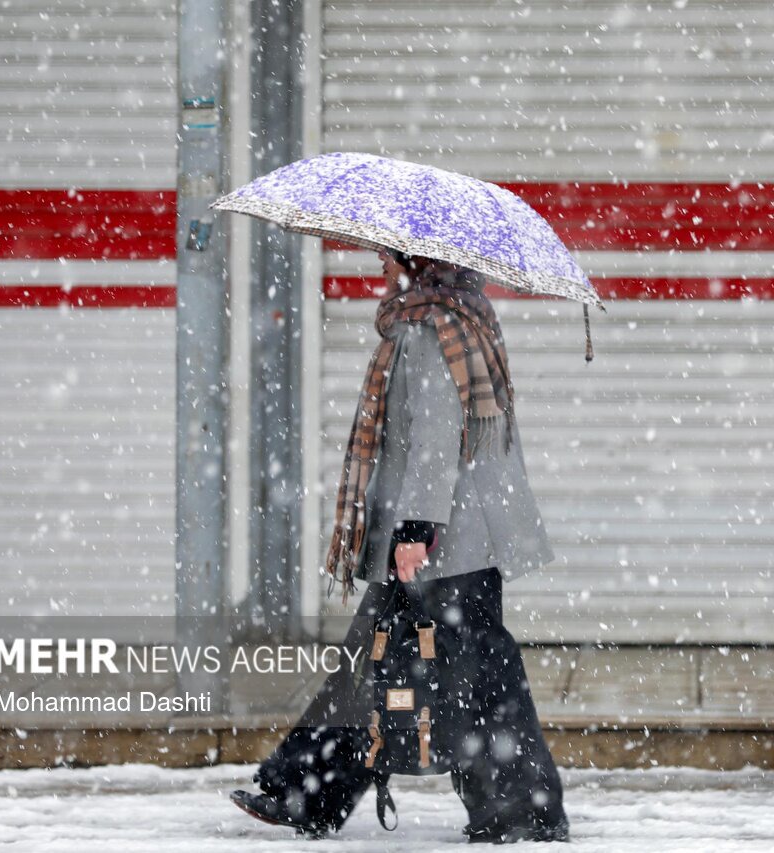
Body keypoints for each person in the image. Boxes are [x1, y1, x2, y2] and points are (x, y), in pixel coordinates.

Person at [230, 249, 569, 841]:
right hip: (459, 539)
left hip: (446, 544)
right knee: (407, 665)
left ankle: (519, 809)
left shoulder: (430, 329)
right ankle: (310, 789)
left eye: (388, 257)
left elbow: (437, 437)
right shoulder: (464, 317)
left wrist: (416, 530)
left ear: (416, 263)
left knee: (443, 670)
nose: (381, 267)